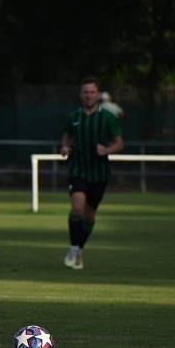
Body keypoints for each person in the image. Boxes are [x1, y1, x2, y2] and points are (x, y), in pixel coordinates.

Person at [60, 77, 124, 270]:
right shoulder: (73, 117)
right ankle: (73, 247)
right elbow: (67, 137)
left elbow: (120, 143)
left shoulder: (107, 117)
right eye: (85, 92)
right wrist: (64, 147)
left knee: (89, 215)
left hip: (99, 173)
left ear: (97, 94)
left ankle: (79, 249)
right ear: (81, 94)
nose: (89, 95)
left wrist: (106, 150)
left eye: (92, 92)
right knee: (77, 208)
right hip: (77, 169)